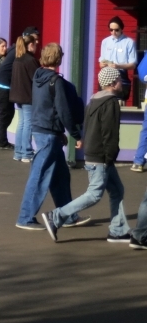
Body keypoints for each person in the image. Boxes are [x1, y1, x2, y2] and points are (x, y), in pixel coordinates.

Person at [42, 66, 130, 242]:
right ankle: (57, 215)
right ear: (112, 83)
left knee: (117, 190)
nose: (122, 83)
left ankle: (118, 230)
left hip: (94, 153)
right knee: (94, 194)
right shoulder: (111, 103)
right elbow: (110, 133)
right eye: (119, 80)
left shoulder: (93, 101)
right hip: (102, 156)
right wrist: (110, 157)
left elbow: (89, 128)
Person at [16, 42, 87, 230]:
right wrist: (75, 134)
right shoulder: (57, 82)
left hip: (42, 130)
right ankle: (25, 217)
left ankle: (68, 216)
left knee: (60, 177)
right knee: (39, 176)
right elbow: (63, 111)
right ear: (59, 58)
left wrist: (59, 133)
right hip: (49, 134)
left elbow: (45, 108)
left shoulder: (38, 78)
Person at [0, 26, 39, 151]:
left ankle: (2, 140)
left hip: (2, 84)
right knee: (5, 114)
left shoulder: (17, 50)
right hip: (2, 85)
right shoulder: (18, 51)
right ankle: (1, 141)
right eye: (35, 39)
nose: (37, 42)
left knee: (9, 115)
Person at [10, 31, 41, 163]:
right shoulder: (30, 60)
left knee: (22, 123)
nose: (36, 46)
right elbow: (36, 79)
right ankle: (26, 152)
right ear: (30, 45)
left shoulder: (17, 59)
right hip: (28, 96)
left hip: (17, 95)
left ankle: (18, 151)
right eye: (34, 44)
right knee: (28, 123)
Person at [100, 16, 136, 104]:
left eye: (116, 30)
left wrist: (118, 66)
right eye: (111, 30)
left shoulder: (129, 42)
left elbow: (133, 64)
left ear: (121, 29)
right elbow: (100, 63)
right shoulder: (105, 42)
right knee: (105, 101)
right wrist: (102, 64)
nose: (113, 32)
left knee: (119, 103)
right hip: (106, 74)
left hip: (121, 75)